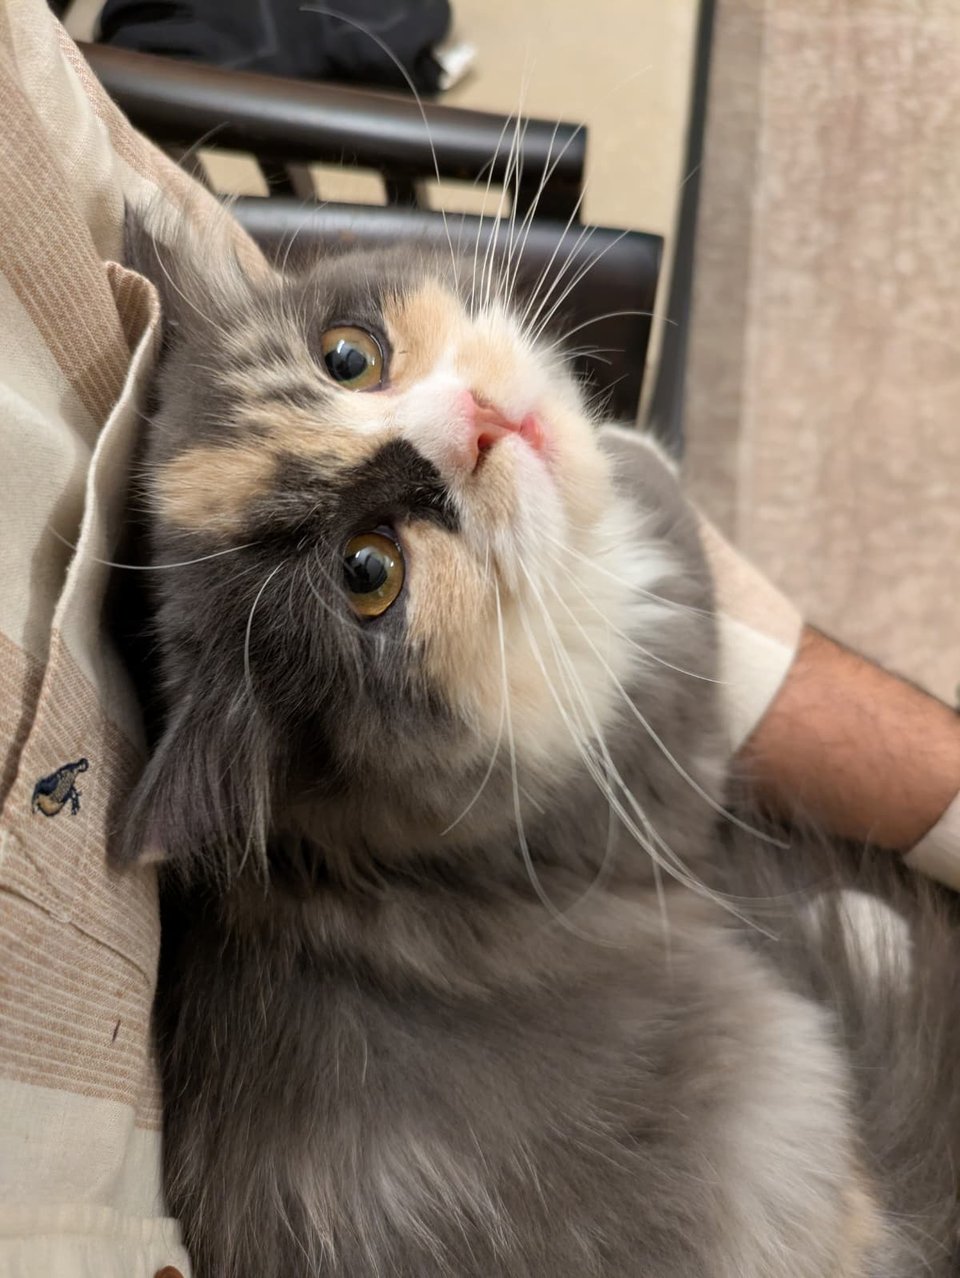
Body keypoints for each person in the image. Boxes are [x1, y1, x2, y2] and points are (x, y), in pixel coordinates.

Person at [0, 1, 957, 1273]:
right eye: (368, 570)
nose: (461, 420)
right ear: (317, 752)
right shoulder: (462, 778)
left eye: (350, 356)